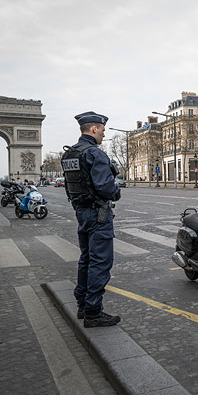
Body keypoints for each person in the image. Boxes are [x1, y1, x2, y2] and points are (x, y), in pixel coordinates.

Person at [61, 111, 122, 328]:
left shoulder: (70, 154)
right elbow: (106, 188)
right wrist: (116, 189)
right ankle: (93, 312)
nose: (104, 134)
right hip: (98, 213)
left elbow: (71, 187)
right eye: (103, 130)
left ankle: (82, 305)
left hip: (81, 211)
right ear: (94, 129)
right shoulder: (95, 154)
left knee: (86, 259)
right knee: (101, 261)